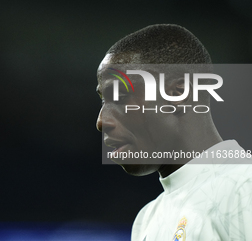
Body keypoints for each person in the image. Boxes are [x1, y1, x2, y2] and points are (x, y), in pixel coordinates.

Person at [96, 24, 252, 240]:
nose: (101, 120)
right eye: (103, 101)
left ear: (177, 94)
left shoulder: (244, 187)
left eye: (119, 96)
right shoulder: (147, 219)